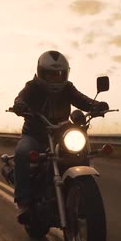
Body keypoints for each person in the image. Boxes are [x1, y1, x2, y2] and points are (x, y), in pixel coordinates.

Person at [12, 50, 108, 219]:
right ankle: (24, 202)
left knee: (81, 148)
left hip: (61, 133)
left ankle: (83, 196)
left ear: (65, 74)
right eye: (51, 75)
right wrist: (20, 106)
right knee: (21, 153)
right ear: (41, 73)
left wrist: (96, 105)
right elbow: (20, 98)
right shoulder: (32, 87)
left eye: (59, 74)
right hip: (35, 134)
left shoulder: (67, 88)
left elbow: (81, 99)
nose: (55, 78)